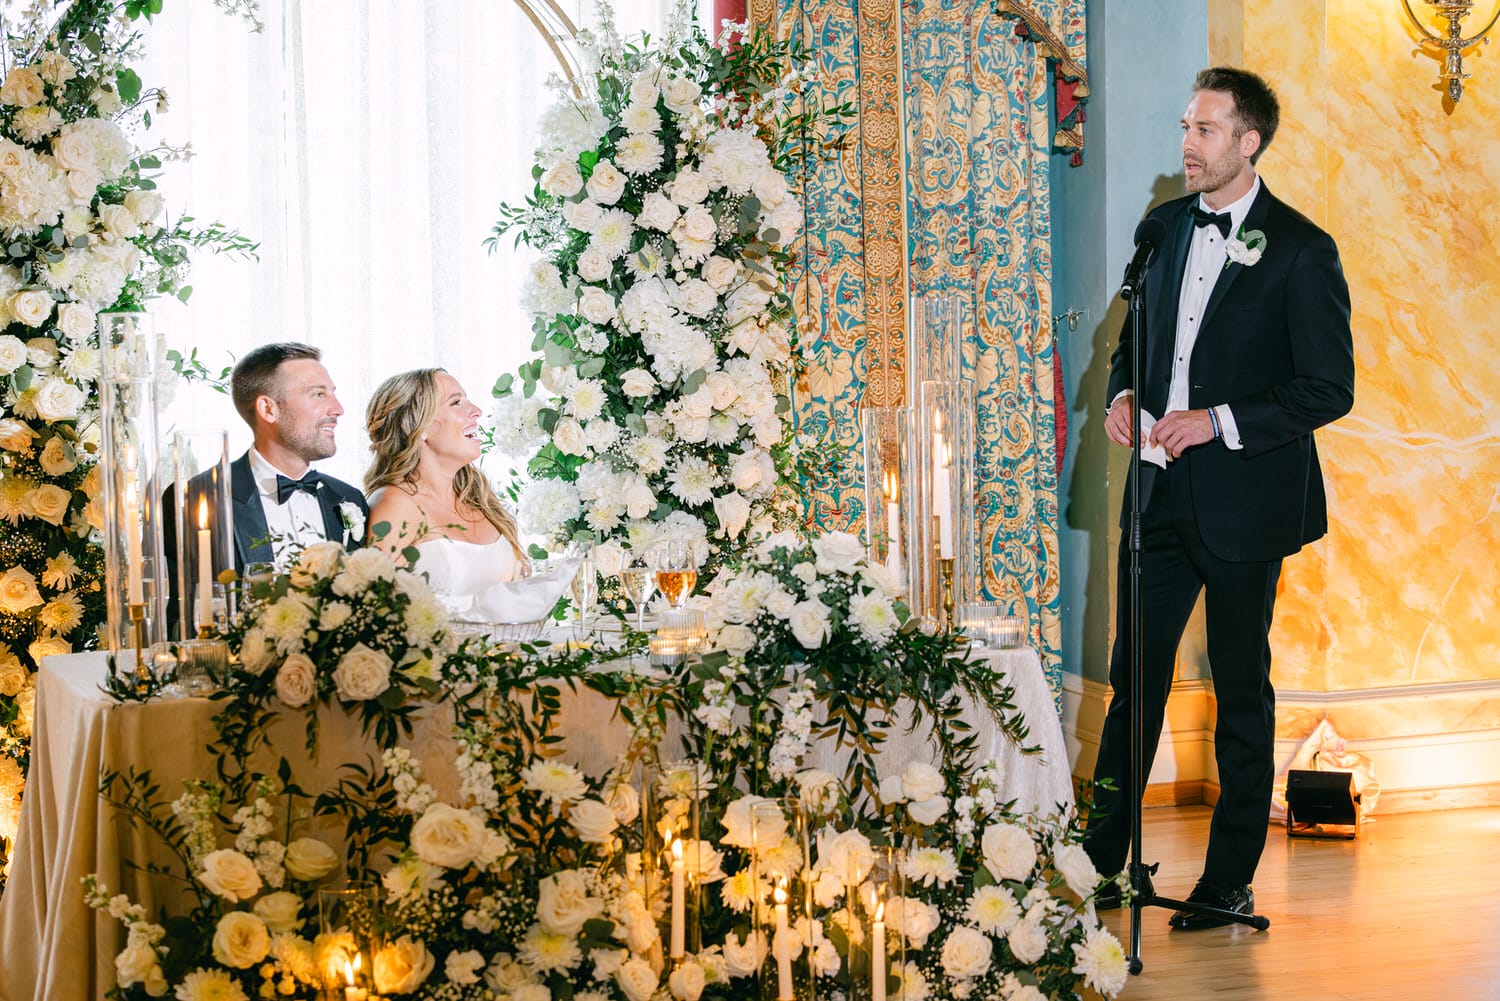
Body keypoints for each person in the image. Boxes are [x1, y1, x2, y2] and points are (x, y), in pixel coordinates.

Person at [1084, 67, 1355, 930]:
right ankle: (1099, 857)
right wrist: (1125, 395)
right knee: (1136, 684)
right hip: (1157, 503)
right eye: (1185, 127)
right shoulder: (1163, 229)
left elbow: (1327, 388)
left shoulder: (1304, 249)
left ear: (1250, 142)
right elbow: (1134, 344)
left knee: (1241, 691)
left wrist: (1219, 421)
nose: (1188, 144)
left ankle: (1227, 876)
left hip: (1248, 508)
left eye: (1205, 130)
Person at [364, 368, 527, 616]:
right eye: (456, 402)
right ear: (419, 426)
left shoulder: (482, 500)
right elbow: (379, 612)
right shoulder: (396, 504)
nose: (476, 411)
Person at [222, 343, 368, 573]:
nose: (338, 409)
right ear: (268, 409)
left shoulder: (349, 499)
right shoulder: (206, 498)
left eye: (332, 393)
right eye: (319, 394)